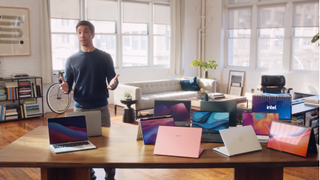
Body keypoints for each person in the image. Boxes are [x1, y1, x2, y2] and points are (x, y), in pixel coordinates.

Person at [59, 20, 118, 180]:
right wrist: (65, 89)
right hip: (80, 108)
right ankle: (90, 174)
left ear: (92, 34)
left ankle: (110, 176)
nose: (82, 35)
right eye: (79, 32)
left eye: (85, 31)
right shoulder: (71, 60)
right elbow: (68, 85)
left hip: (101, 108)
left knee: (106, 144)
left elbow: (113, 79)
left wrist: (113, 84)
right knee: (82, 144)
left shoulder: (105, 57)